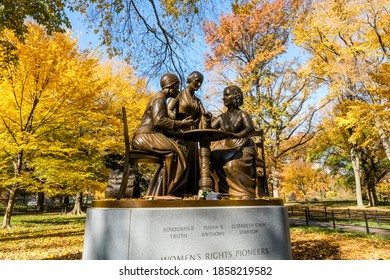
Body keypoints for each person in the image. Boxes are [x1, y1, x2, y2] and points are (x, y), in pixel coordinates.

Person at [132, 73, 196, 197]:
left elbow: (164, 129)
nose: (178, 90)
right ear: (170, 86)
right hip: (145, 135)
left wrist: (181, 134)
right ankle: (168, 191)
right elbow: (159, 121)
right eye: (177, 87)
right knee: (177, 153)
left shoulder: (162, 100)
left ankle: (160, 191)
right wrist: (181, 123)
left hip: (152, 134)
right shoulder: (159, 98)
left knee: (180, 150)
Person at [167, 71, 212, 195]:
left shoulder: (197, 100)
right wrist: (176, 118)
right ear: (190, 79)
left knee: (192, 161)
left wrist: (207, 117)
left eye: (201, 82)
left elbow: (203, 114)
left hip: (192, 134)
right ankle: (176, 191)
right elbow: (168, 109)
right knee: (182, 160)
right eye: (197, 81)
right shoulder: (179, 95)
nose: (198, 84)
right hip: (180, 132)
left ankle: (190, 191)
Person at [210, 85, 257, 199]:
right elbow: (210, 128)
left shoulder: (242, 114)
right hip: (228, 148)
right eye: (223, 95)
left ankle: (244, 193)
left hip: (244, 147)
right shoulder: (222, 117)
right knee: (211, 157)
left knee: (232, 164)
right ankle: (224, 190)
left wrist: (237, 135)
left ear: (235, 96)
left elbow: (250, 128)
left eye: (227, 95)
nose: (224, 98)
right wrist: (207, 118)